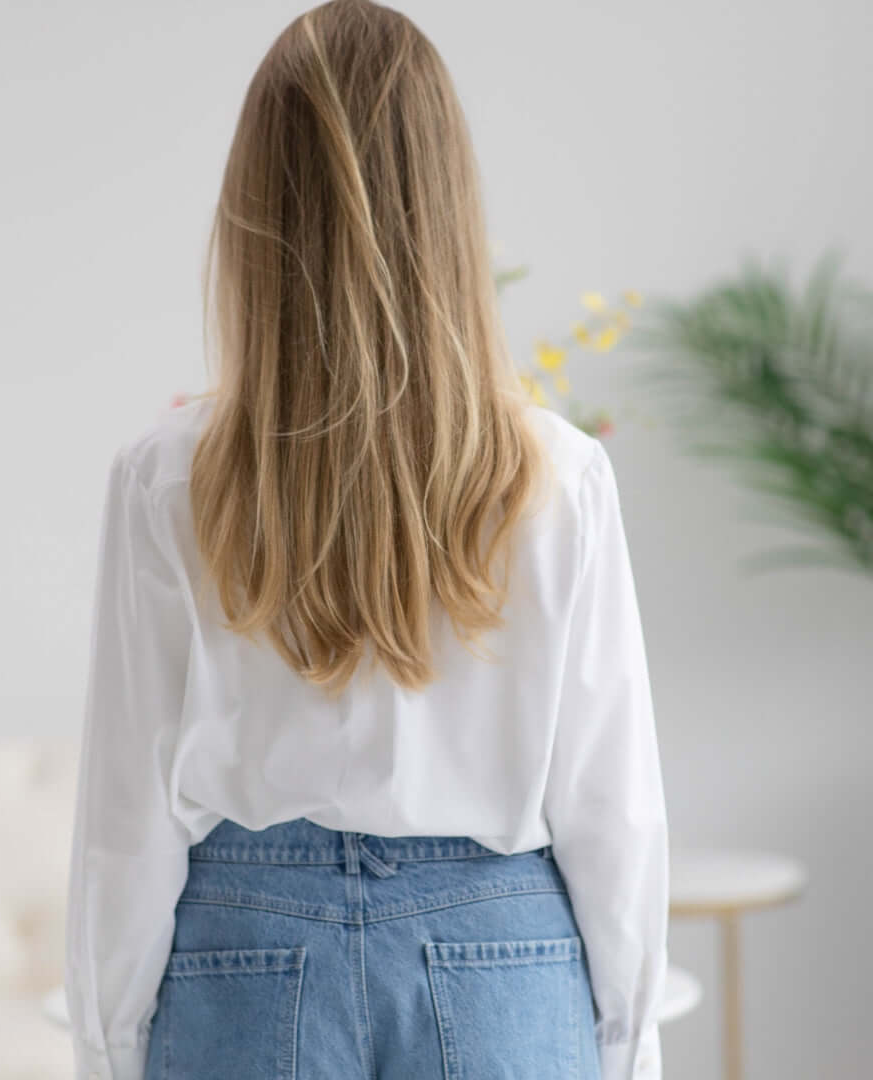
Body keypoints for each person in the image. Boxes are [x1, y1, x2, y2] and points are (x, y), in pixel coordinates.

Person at [63, 2, 669, 1078]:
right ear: (448, 204)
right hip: (503, 960)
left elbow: (127, 813)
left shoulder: (168, 476)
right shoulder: (559, 474)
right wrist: (627, 1049)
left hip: (244, 958)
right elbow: (610, 809)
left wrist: (111, 1050)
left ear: (255, 212)